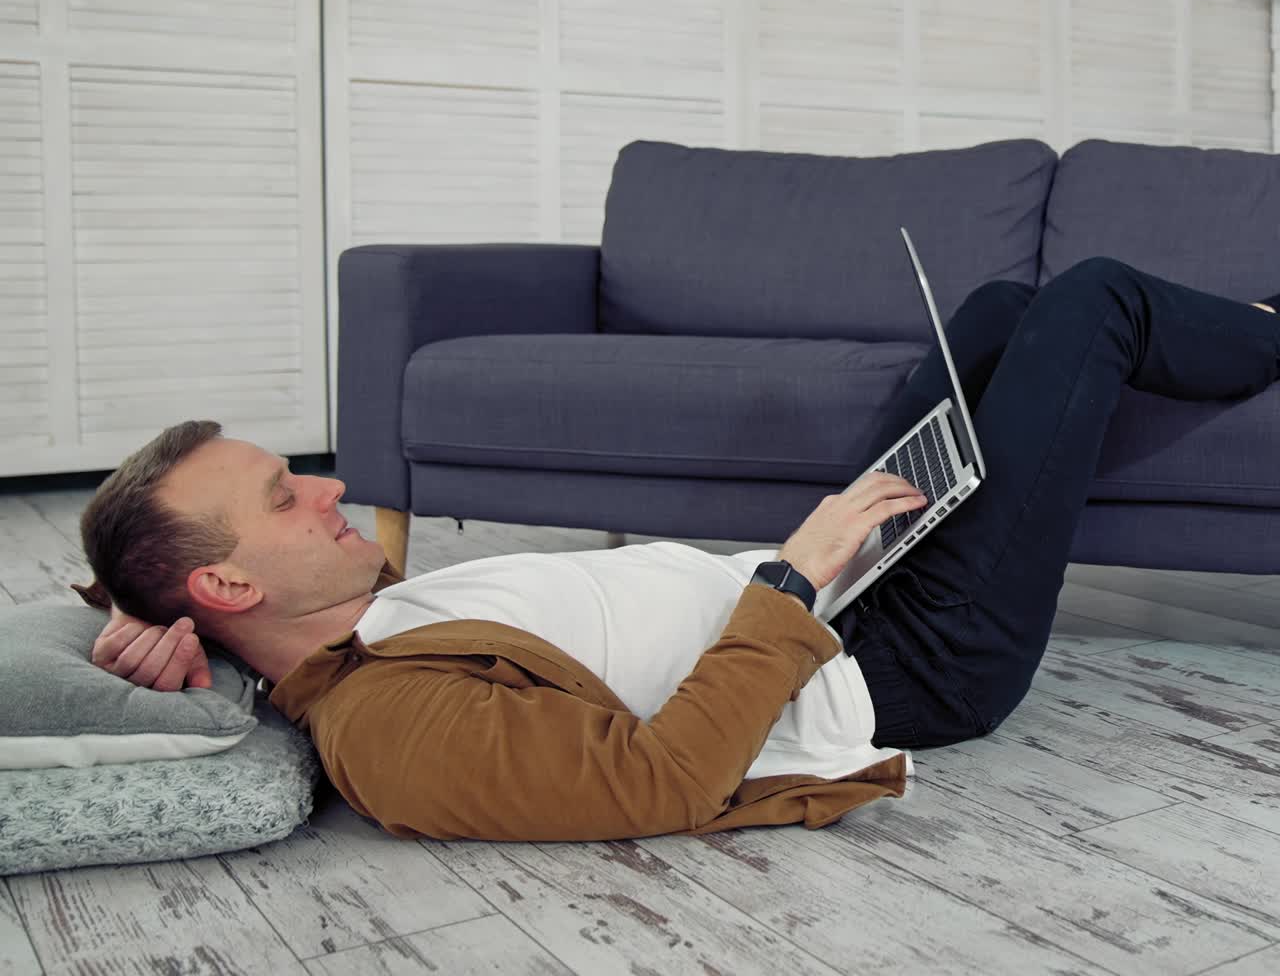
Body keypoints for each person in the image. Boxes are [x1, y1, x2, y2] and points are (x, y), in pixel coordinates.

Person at [73, 259, 1280, 842]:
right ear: (229, 580)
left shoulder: (342, 620)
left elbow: (240, 630)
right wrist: (796, 577)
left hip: (832, 586)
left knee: (1000, 308)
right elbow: (657, 785)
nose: (332, 483)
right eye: (288, 495)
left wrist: (167, 643)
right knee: (1092, 301)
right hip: (906, 656)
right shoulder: (387, 731)